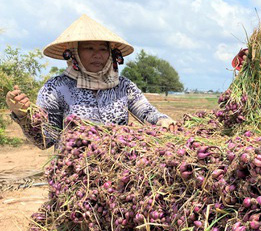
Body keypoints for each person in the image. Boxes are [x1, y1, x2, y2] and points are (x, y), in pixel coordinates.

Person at [5, 14, 176, 149]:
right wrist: (23, 115)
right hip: (73, 180)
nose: (97, 54)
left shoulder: (123, 86)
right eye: (89, 48)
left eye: (103, 49)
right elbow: (46, 140)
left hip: (119, 178)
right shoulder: (56, 88)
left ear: (111, 54)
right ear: (74, 53)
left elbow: (146, 111)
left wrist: (163, 120)